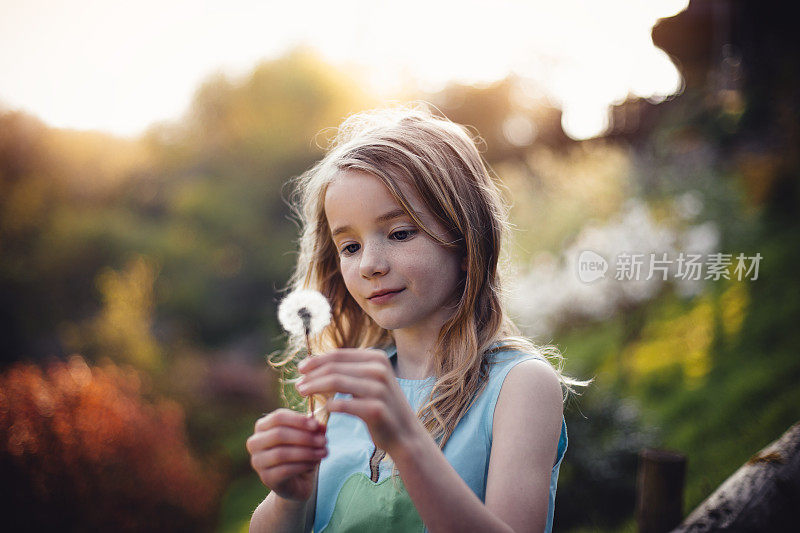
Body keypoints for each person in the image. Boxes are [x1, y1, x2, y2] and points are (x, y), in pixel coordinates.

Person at [246, 104, 586, 533]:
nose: (369, 264)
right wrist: (288, 497)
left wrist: (406, 444)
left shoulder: (518, 386)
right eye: (349, 246)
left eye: (400, 233)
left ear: (465, 241)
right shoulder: (351, 388)